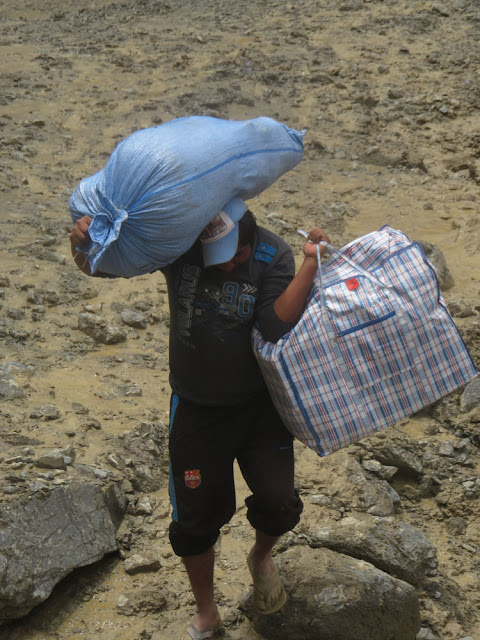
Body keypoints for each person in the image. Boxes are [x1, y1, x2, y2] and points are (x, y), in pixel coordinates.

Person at [70, 202, 330, 640]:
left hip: (260, 406)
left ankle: (261, 556)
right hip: (196, 408)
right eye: (220, 256)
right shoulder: (180, 246)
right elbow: (101, 267)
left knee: (279, 499)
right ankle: (207, 612)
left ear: (251, 240)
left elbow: (274, 326)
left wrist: (308, 264)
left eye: (237, 254)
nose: (228, 263)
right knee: (194, 520)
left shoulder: (272, 254)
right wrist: (82, 243)